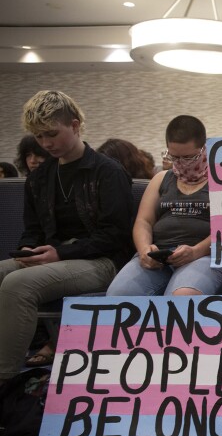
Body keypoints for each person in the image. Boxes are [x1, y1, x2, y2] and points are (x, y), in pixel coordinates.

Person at [0, 90, 133, 385]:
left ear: (75, 125)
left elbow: (116, 235)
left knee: (17, 284)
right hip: (54, 256)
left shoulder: (108, 172)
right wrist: (27, 250)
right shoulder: (41, 176)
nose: (46, 143)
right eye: (38, 137)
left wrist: (58, 254)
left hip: (102, 260)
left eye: (51, 134)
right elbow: (32, 228)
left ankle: (5, 383)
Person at [106, 116, 222, 299]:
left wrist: (196, 251)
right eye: (175, 157)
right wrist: (144, 250)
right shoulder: (162, 178)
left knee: (182, 296)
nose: (181, 163)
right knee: (118, 296)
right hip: (160, 253)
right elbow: (144, 221)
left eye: (189, 157)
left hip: (205, 254)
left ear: (204, 148)